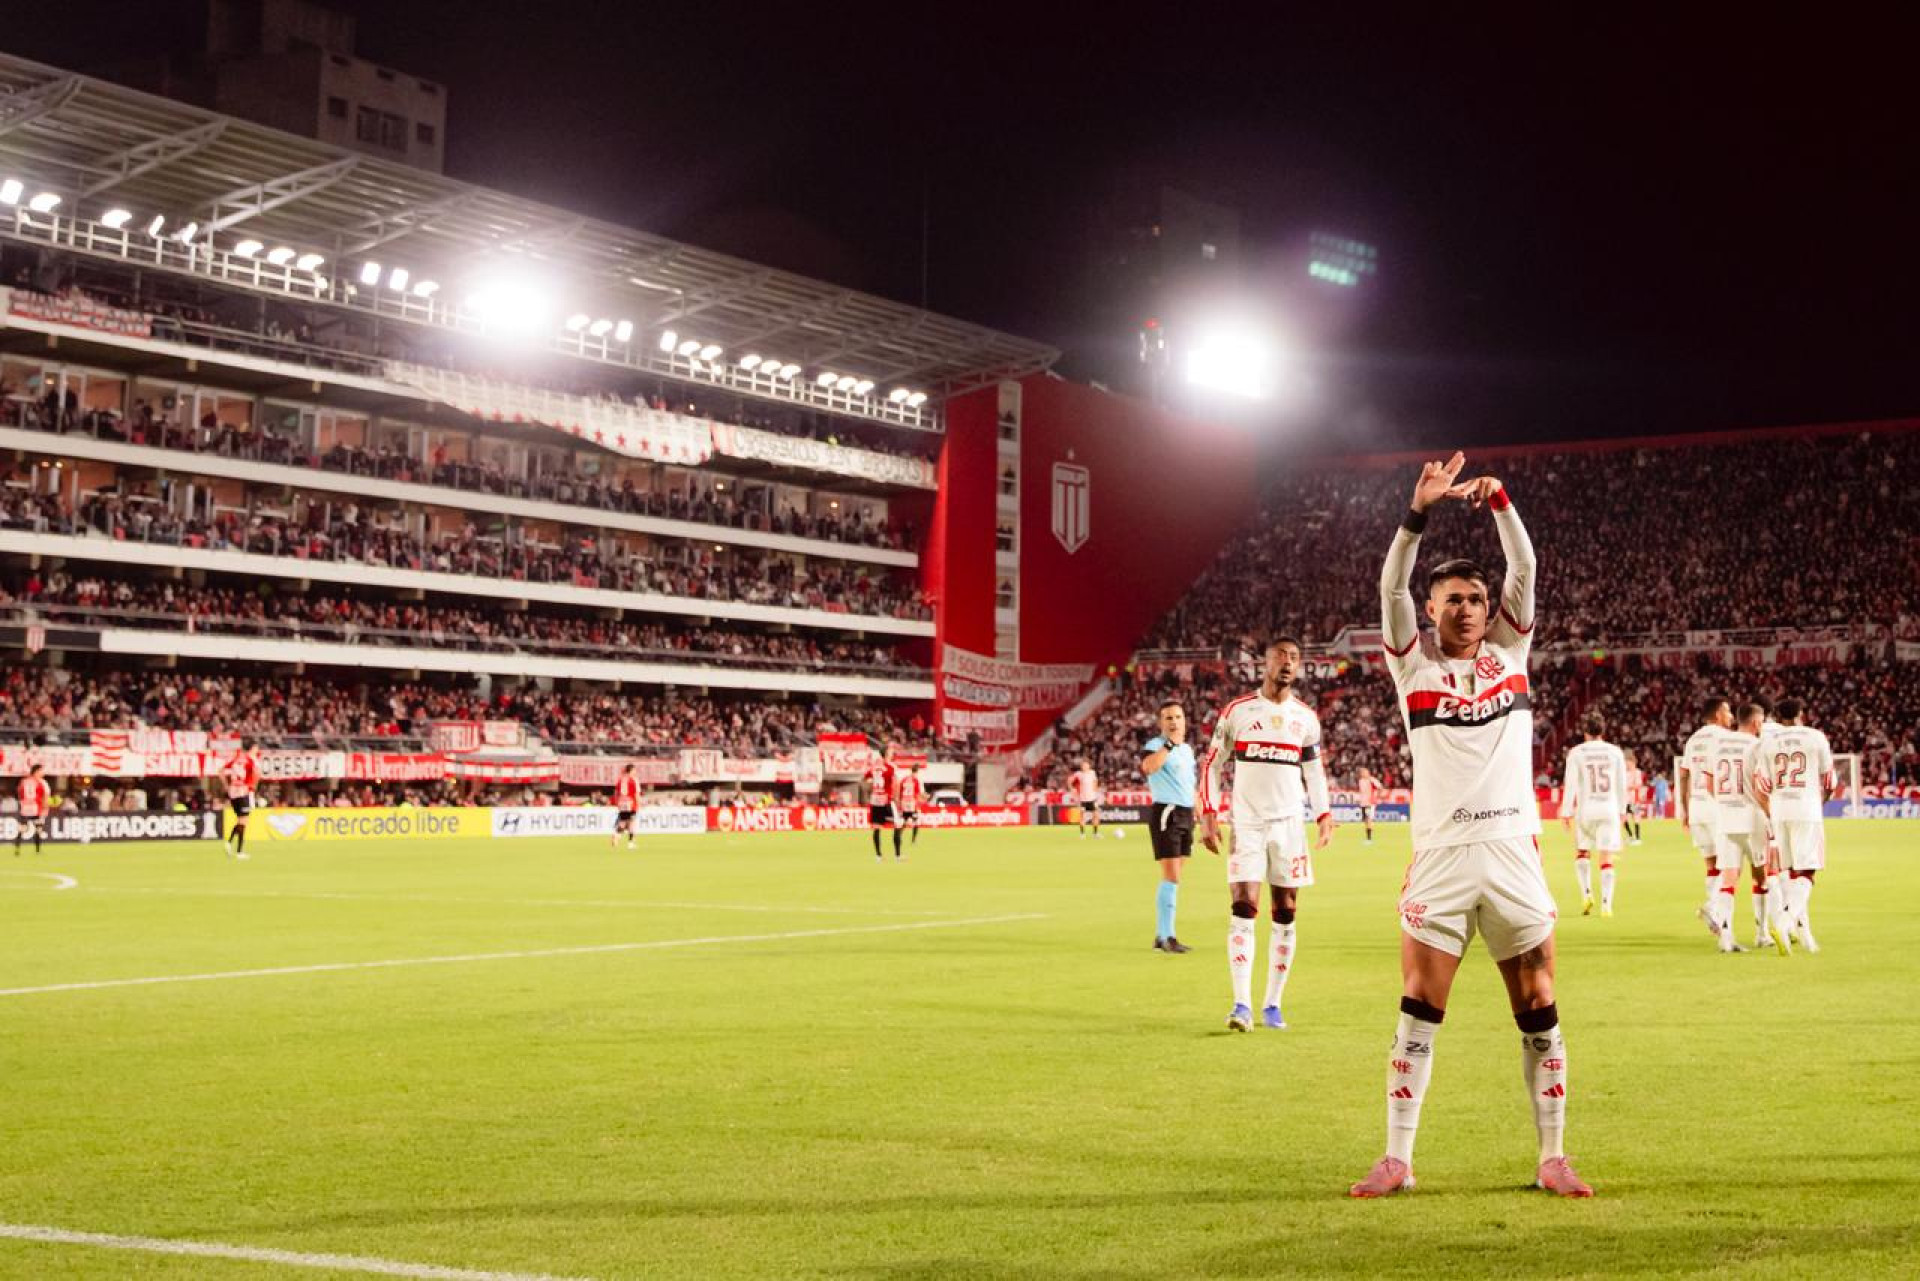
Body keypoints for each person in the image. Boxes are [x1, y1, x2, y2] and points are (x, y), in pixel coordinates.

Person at [1351, 451, 1592, 1200]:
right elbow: (1390, 583)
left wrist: (1501, 502)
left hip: (1511, 850)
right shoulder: (1412, 670)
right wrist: (1416, 512)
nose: (1466, 608)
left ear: (1492, 609)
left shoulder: (1512, 655)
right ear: (1432, 610)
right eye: (1452, 598)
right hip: (1443, 856)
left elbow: (1527, 564)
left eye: (1475, 597)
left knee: (1539, 1004)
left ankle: (1552, 1155)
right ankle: (1397, 1156)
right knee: (1419, 1008)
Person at [1199, 637, 1335, 1032]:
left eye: (1294, 658)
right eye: (1281, 657)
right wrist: (1209, 813)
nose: (1288, 664)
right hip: (1247, 823)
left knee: (1286, 912)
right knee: (1243, 905)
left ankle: (1272, 1005)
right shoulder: (1239, 711)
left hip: (1290, 824)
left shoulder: (1305, 718)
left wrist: (1324, 813)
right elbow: (1212, 763)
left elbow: (1313, 770)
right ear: (1266, 664)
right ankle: (1241, 1004)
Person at [1750, 697, 1836, 954]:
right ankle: (1785, 923)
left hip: (1779, 810)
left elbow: (1761, 785)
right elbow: (1829, 781)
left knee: (1790, 873)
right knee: (1808, 872)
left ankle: (1804, 935)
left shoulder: (1767, 743)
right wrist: (1820, 802)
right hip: (1806, 808)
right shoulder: (1815, 737)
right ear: (1800, 714)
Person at [1704, 704, 1766, 954]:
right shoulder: (1756, 746)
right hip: (1753, 816)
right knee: (1761, 875)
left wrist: (1724, 802)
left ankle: (1726, 937)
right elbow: (1762, 785)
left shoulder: (1717, 744)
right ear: (1756, 723)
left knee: (1729, 877)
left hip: (1725, 816)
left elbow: (1708, 783)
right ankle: (1762, 934)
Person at [1141, 700, 1198, 953]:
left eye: (1178, 717)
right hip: (1167, 811)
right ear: (1161, 723)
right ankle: (1167, 937)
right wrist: (1168, 745)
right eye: (1168, 718)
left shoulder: (1187, 750)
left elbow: (1190, 784)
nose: (1174, 722)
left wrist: (1202, 812)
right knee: (1171, 875)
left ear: (1185, 720)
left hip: (1186, 814)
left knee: (1175, 878)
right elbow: (1148, 767)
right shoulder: (1155, 746)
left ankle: (1162, 935)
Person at [1560, 713, 1626, 917]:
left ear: (1585, 731)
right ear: (1603, 730)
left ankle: (1587, 894)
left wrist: (1565, 812)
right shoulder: (1615, 752)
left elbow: (1570, 784)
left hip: (1585, 810)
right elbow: (1621, 785)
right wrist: (1623, 811)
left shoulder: (1577, 753)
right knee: (1606, 858)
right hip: (1608, 809)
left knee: (1582, 852)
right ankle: (1607, 904)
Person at [1678, 697, 1734, 935]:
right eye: (1729, 711)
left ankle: (1715, 914)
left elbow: (1683, 776)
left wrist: (1684, 809)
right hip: (1718, 806)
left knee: (1711, 865)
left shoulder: (1693, 740)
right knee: (1729, 865)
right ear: (1719, 714)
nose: (1731, 716)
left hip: (1697, 807)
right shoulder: (1725, 738)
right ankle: (1714, 908)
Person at [222, 737, 261, 859]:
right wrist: (253, 786)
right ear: (253, 748)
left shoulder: (236, 759)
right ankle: (237, 850)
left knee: (240, 820)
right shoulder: (251, 760)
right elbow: (257, 774)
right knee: (243, 821)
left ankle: (231, 845)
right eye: (256, 748)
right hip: (244, 791)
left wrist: (226, 785)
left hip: (232, 792)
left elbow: (221, 771)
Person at [864, 746, 898, 862]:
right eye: (890, 752)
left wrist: (871, 787)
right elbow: (895, 783)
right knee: (897, 825)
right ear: (887, 754)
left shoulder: (873, 768)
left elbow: (866, 779)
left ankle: (878, 856)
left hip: (875, 800)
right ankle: (897, 856)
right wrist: (895, 798)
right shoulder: (890, 767)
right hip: (885, 800)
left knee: (876, 828)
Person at [15, 762, 49, 855]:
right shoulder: (41, 782)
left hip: (25, 808)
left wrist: (22, 803)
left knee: (22, 829)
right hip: (35, 809)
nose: (43, 773)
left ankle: (17, 849)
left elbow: (19, 794)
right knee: (38, 829)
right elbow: (44, 796)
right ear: (36, 771)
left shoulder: (24, 781)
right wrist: (45, 808)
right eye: (41, 771)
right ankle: (38, 850)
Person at [612, 763, 641, 851]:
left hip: (622, 803)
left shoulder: (621, 780)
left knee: (623, 822)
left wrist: (617, 802)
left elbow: (616, 792)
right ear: (631, 770)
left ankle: (616, 836)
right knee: (632, 823)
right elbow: (636, 794)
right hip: (631, 803)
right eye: (634, 770)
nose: (635, 772)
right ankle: (631, 843)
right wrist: (639, 804)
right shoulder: (633, 780)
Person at [1071, 759, 1102, 838]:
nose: (1084, 767)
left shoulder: (1092, 773)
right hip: (1083, 799)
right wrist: (1072, 789)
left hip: (1092, 798)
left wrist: (1095, 792)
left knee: (1096, 815)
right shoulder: (1078, 774)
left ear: (1089, 766)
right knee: (1082, 816)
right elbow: (1070, 780)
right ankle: (1082, 834)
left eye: (1086, 765)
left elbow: (1095, 782)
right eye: (1083, 765)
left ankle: (1095, 833)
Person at [896, 765, 924, 853]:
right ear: (917, 771)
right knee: (916, 821)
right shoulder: (916, 780)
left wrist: (900, 803)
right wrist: (922, 800)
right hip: (912, 803)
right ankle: (913, 840)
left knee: (905, 820)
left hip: (904, 802)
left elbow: (900, 792)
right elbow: (918, 794)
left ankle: (899, 836)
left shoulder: (904, 779)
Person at [1623, 750, 1645, 846]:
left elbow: (1638, 785)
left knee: (1636, 817)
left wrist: (1629, 787)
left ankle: (1638, 838)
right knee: (1624, 818)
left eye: (1628, 763)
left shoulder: (1637, 772)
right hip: (1625, 799)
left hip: (1634, 799)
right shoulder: (1624, 773)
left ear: (1632, 762)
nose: (1627, 765)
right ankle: (1630, 836)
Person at [1357, 767, 1380, 844]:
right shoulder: (1360, 781)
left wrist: (1375, 797)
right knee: (1365, 820)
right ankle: (1368, 838)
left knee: (1368, 819)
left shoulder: (1371, 780)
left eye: (1364, 772)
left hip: (1370, 803)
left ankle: (1369, 839)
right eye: (1361, 772)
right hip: (1363, 803)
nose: (1362, 774)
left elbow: (1380, 787)